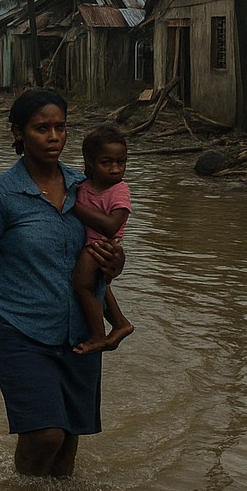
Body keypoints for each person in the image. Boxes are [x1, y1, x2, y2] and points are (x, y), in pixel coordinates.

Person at [0, 88, 126, 478]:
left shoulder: (84, 189)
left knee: (68, 449)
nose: (54, 137)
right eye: (42, 128)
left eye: (61, 127)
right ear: (19, 133)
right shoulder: (1, 194)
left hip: (78, 337)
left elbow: (93, 261)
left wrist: (116, 264)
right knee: (45, 436)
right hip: (19, 330)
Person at [70, 125, 136, 354]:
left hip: (100, 246)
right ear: (89, 162)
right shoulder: (82, 185)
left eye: (121, 162)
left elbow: (111, 226)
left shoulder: (119, 189)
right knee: (100, 286)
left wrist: (72, 207)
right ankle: (120, 324)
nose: (116, 169)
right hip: (92, 245)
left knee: (82, 285)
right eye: (106, 162)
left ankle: (98, 334)